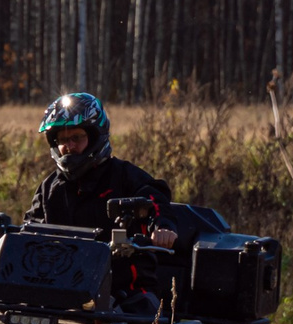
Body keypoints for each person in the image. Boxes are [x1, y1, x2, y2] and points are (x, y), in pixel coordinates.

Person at [24, 93, 178, 248]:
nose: (70, 146)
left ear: (95, 136)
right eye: (63, 140)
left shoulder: (124, 176)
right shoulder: (48, 189)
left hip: (121, 262)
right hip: (64, 263)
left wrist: (162, 228)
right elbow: (29, 231)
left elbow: (157, 203)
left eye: (76, 137)